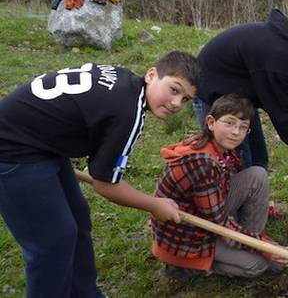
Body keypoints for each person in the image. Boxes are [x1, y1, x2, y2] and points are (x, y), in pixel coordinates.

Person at [0, 51, 200, 298]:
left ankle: (84, 293)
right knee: (54, 241)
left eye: (186, 99)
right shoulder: (129, 112)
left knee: (78, 219)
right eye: (174, 89)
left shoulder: (126, 81)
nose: (176, 103)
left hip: (44, 142)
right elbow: (106, 185)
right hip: (13, 150)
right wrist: (155, 204)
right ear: (151, 75)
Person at [194, 5, 288, 217]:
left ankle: (256, 205)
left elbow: (277, 100)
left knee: (258, 158)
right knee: (238, 166)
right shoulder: (280, 53)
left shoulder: (283, 43)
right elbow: (284, 112)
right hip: (214, 98)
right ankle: (237, 229)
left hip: (241, 98)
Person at [151, 94, 288, 279]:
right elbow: (218, 223)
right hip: (188, 234)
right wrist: (263, 247)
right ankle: (188, 266)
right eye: (229, 123)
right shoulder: (202, 164)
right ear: (210, 122)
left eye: (243, 127)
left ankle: (247, 242)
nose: (236, 132)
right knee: (259, 265)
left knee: (257, 175)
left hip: (205, 212)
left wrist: (259, 243)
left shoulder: (219, 147)